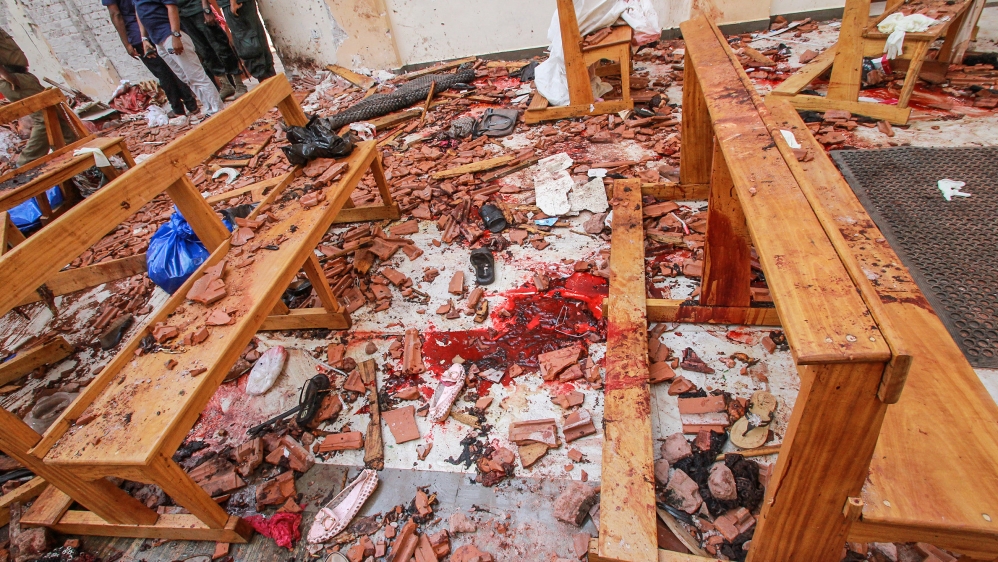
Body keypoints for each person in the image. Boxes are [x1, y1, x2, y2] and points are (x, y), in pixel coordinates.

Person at [103, 0, 199, 118]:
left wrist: (126, 43)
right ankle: (191, 104)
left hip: (138, 34)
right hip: (156, 28)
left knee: (163, 73)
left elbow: (115, 14)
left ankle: (178, 109)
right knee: (174, 67)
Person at [0, 28, 76, 167]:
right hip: (13, 78)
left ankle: (75, 150)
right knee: (44, 119)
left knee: (55, 114)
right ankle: (26, 163)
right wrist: (5, 75)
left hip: (20, 75)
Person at [134, 0, 223, 116]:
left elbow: (172, 7)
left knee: (196, 76)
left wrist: (176, 35)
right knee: (187, 78)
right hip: (158, 40)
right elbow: (139, 12)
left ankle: (218, 110)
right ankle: (210, 109)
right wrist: (144, 39)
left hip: (170, 35)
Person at [176, 0, 247, 100]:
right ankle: (226, 84)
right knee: (204, 51)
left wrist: (207, 9)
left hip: (198, 9)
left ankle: (239, 84)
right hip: (183, 16)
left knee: (220, 46)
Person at [211, 0, 275, 81]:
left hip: (234, 4)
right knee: (256, 39)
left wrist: (233, 2)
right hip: (238, 3)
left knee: (248, 45)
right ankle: (273, 82)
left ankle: (268, 83)